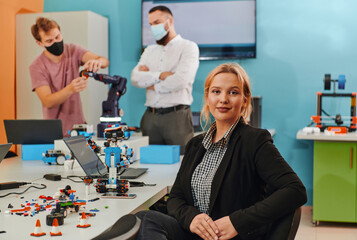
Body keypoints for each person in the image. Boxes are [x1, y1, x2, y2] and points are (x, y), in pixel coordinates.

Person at [132, 63, 307, 240]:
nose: (223, 99)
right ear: (208, 97)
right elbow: (176, 198)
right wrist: (192, 218)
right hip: (195, 234)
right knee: (144, 218)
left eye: (233, 92)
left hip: (231, 237)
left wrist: (236, 222)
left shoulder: (254, 140)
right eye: (216, 91)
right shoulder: (195, 144)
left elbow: (295, 189)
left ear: (245, 99)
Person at [131, 5, 199, 154]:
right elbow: (135, 78)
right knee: (150, 165)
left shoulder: (188, 47)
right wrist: (160, 75)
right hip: (150, 117)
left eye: (157, 22)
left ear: (170, 21)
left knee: (183, 163)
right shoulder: (149, 50)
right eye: (150, 24)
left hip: (177, 118)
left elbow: (181, 80)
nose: (153, 27)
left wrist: (152, 84)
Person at [29, 17, 109, 136]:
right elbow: (48, 101)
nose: (56, 42)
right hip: (55, 132)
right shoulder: (37, 66)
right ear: (39, 43)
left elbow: (104, 61)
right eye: (49, 41)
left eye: (57, 37)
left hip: (79, 127)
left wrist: (98, 62)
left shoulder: (73, 50)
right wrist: (71, 89)